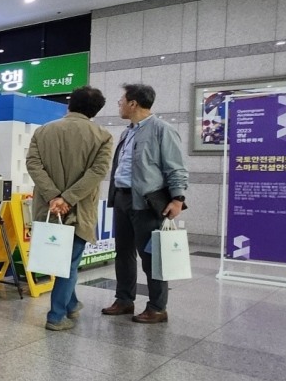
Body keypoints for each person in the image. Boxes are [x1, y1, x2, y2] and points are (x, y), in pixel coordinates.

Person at [26, 86, 113, 331]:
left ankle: (71, 304)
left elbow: (33, 164)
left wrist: (54, 196)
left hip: (48, 208)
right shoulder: (102, 136)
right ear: (95, 111)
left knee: (63, 259)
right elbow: (97, 172)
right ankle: (56, 316)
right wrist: (68, 198)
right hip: (79, 209)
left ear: (69, 104)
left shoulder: (43, 131)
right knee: (70, 262)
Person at [102, 84, 189, 324]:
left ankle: (157, 307)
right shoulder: (127, 132)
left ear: (133, 103)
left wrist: (177, 198)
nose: (119, 104)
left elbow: (176, 166)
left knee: (152, 256)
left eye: (122, 100)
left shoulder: (162, 130)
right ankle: (124, 300)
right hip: (122, 197)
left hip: (147, 201)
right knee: (123, 253)